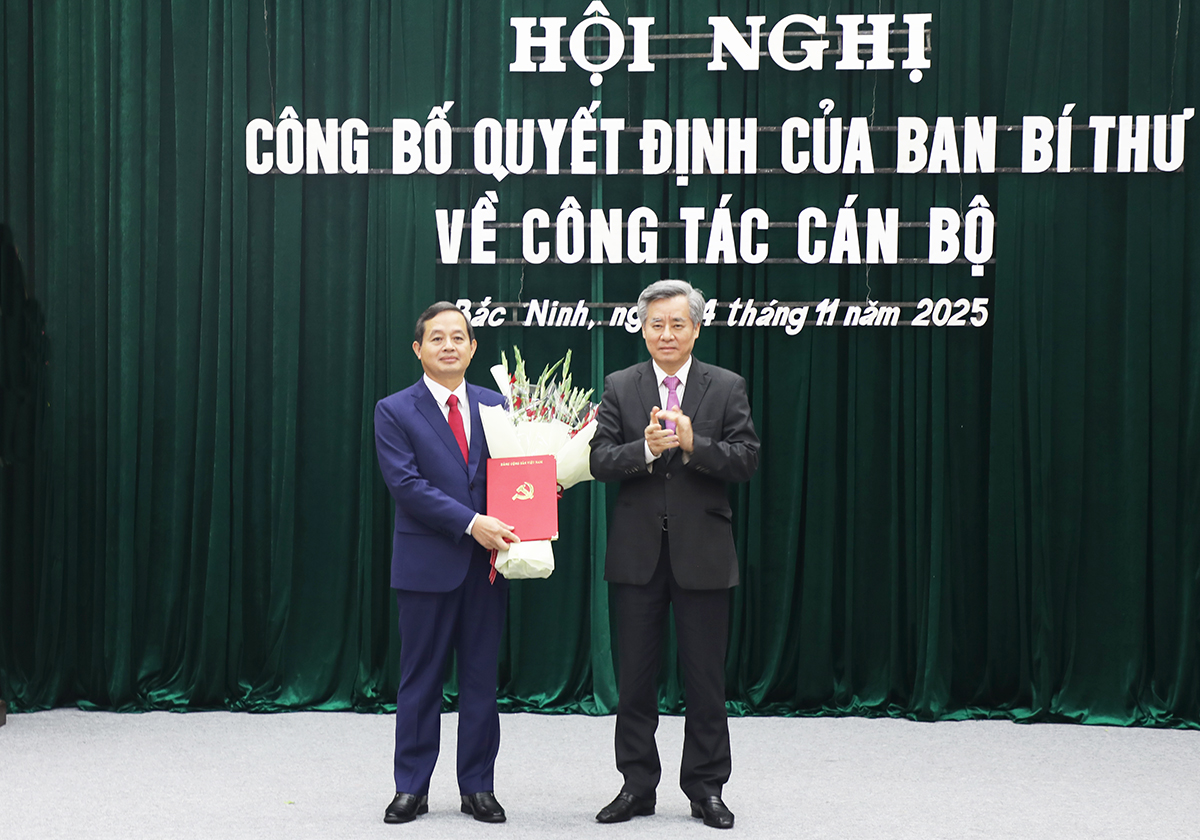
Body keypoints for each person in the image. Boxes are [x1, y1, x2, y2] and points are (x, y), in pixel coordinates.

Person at [589, 279, 760, 830]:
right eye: (656, 323)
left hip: (703, 553)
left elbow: (746, 459)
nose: (666, 333)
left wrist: (693, 445)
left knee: (705, 680)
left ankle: (706, 788)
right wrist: (643, 449)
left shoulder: (726, 386)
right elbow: (598, 460)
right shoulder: (620, 385)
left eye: (677, 323)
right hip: (637, 554)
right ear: (643, 329)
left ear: (696, 329)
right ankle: (636, 787)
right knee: (635, 681)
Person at [374, 302, 519, 825]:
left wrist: (539, 493)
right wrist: (472, 522)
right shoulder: (394, 410)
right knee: (421, 680)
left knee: (480, 679)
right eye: (437, 338)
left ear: (473, 348)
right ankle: (411, 787)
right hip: (426, 566)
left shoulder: (497, 405)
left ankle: (478, 786)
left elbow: (514, 473)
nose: (449, 345)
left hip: (487, 567)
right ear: (419, 349)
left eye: (459, 337)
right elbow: (407, 485)